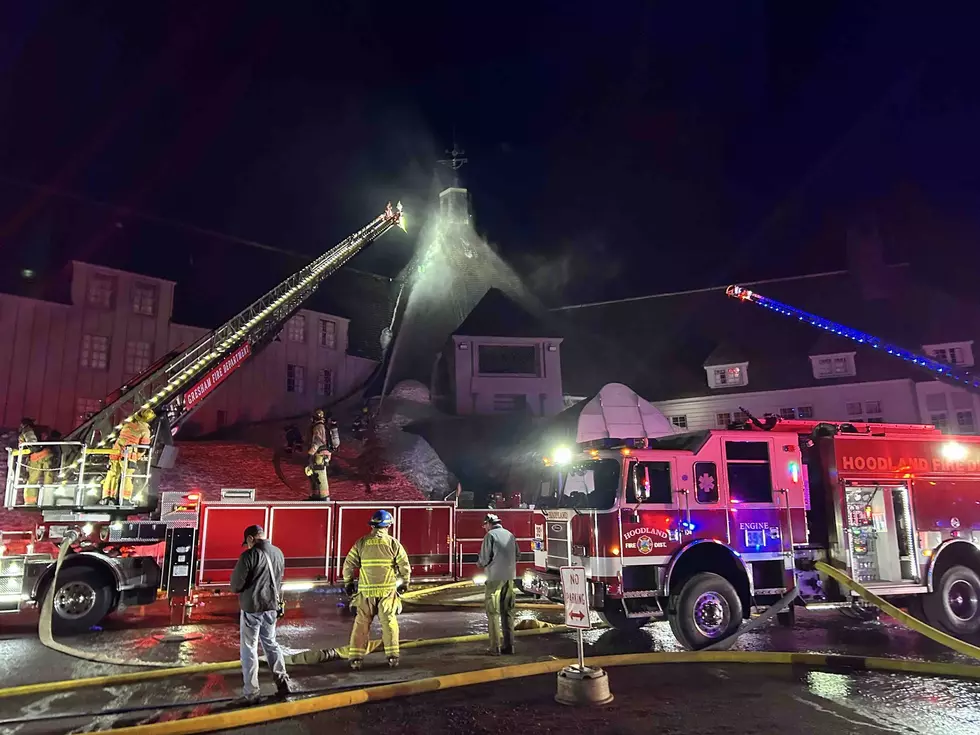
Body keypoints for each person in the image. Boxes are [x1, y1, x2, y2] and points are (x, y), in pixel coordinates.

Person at [230, 525, 293, 702]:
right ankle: (283, 682)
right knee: (271, 643)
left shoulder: (249, 556)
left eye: (247, 542)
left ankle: (252, 692)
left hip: (252, 608)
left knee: (249, 648)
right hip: (271, 607)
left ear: (251, 539)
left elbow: (236, 585)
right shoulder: (278, 553)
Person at [343, 509, 411, 670]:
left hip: (366, 593)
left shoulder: (361, 542)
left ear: (372, 525)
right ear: (388, 525)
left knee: (361, 624)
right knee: (389, 623)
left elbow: (348, 565)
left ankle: (356, 659)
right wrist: (405, 583)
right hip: (387, 592)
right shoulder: (393, 543)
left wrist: (348, 583)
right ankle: (392, 657)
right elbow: (404, 566)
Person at [477, 513, 518, 655]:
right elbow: (518, 555)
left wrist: (480, 564)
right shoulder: (510, 535)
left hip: (494, 579)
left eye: (484, 525)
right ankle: (509, 646)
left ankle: (495, 648)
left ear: (489, 523)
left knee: (493, 612)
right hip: (510, 578)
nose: (484, 528)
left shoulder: (490, 536)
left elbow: (484, 559)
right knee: (508, 611)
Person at [101, 408, 154, 504]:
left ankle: (107, 497)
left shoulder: (127, 425)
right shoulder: (145, 430)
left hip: (115, 454)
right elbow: (143, 448)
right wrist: (139, 456)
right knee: (127, 477)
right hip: (128, 457)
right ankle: (125, 499)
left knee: (112, 475)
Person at [17, 418, 52, 505]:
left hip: (35, 457)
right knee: (49, 479)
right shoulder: (37, 430)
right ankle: (47, 501)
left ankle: (30, 502)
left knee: (32, 480)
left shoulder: (27, 430)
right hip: (47, 455)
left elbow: (33, 444)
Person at [306, 409, 332, 500]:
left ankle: (324, 497)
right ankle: (316, 495)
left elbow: (317, 442)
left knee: (320, 475)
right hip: (322, 454)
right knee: (315, 475)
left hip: (319, 454)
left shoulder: (318, 427)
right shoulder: (323, 426)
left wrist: (310, 454)